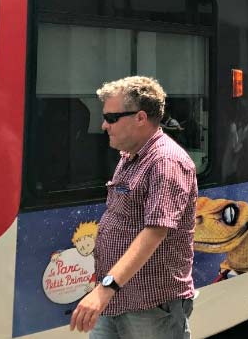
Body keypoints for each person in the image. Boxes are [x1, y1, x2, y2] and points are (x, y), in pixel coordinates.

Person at [70, 76, 197, 336]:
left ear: (140, 118)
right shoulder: (130, 156)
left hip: (150, 305)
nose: (104, 125)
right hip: (116, 298)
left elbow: (155, 232)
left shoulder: (166, 162)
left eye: (111, 118)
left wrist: (105, 288)